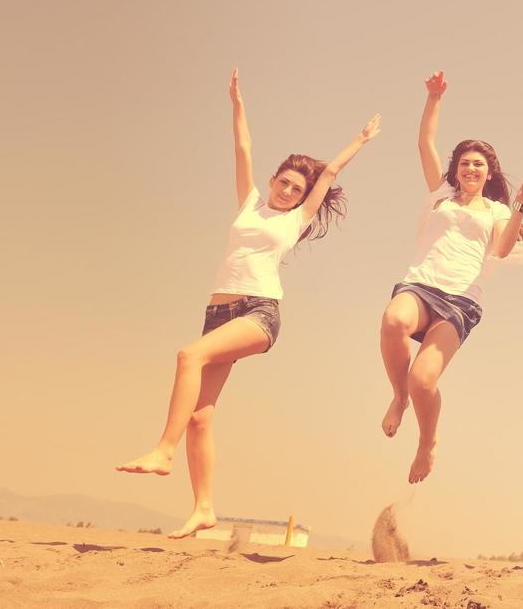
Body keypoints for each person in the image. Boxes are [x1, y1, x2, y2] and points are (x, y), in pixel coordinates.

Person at [117, 69, 380, 539]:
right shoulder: (250, 203)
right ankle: (204, 508)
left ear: (304, 197)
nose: (288, 190)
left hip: (260, 312)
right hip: (218, 313)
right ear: (274, 179)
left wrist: (359, 140)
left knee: (187, 355)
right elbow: (243, 149)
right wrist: (237, 102)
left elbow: (332, 172)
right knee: (201, 416)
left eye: (297, 189)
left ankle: (162, 450)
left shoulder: (296, 220)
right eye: (284, 182)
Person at [378, 70, 523, 483]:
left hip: (461, 301)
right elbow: (424, 142)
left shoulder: (497, 212)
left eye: (479, 164)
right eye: (465, 163)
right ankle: (397, 398)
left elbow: (502, 249)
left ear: (489, 173)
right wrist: (434, 98)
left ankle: (426, 442)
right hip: (421, 283)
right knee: (394, 319)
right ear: (455, 170)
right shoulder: (440, 196)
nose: (471, 168)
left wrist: (521, 206)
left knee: (424, 380)